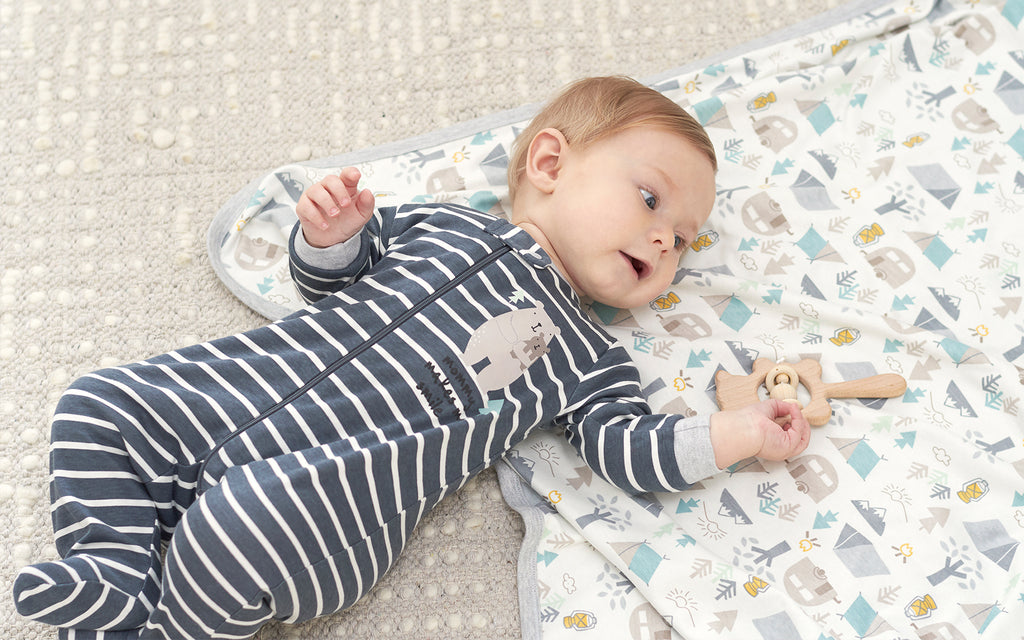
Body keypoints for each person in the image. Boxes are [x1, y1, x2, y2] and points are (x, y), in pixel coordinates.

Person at [13, 76, 810, 639]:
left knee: (243, 520)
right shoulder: (444, 224)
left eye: (685, 238)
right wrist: (329, 237)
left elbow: (630, 452)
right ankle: (117, 566)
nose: (667, 237)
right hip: (238, 389)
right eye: (650, 198)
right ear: (549, 165)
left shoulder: (589, 358)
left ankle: (162, 626)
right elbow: (332, 281)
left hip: (341, 488)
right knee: (97, 402)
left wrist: (738, 433)